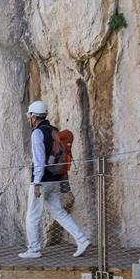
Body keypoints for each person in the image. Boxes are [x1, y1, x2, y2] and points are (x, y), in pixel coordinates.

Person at [19, 100, 91, 259]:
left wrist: (36, 183)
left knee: (32, 215)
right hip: (56, 179)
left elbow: (39, 160)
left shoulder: (37, 133)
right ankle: (82, 239)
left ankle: (33, 249)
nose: (29, 119)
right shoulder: (54, 130)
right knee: (58, 212)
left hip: (42, 180)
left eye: (30, 116)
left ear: (33, 116)